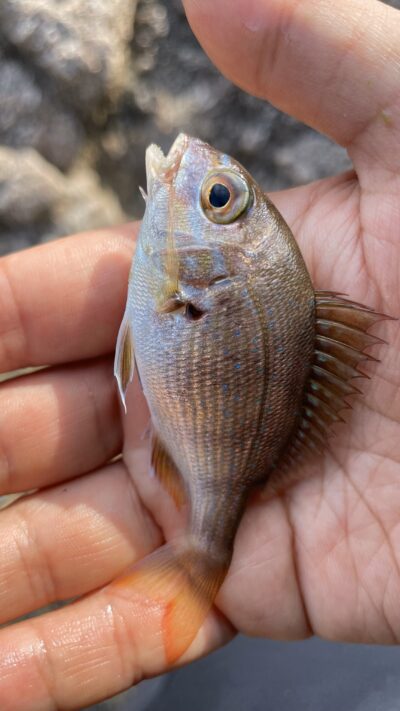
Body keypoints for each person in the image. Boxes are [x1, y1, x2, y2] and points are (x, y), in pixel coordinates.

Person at [0, 0, 399, 707]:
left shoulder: (186, 287)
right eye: (221, 194)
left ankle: (200, 555)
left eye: (217, 198)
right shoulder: (182, 285)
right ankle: (196, 557)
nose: (198, 175)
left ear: (212, 274)